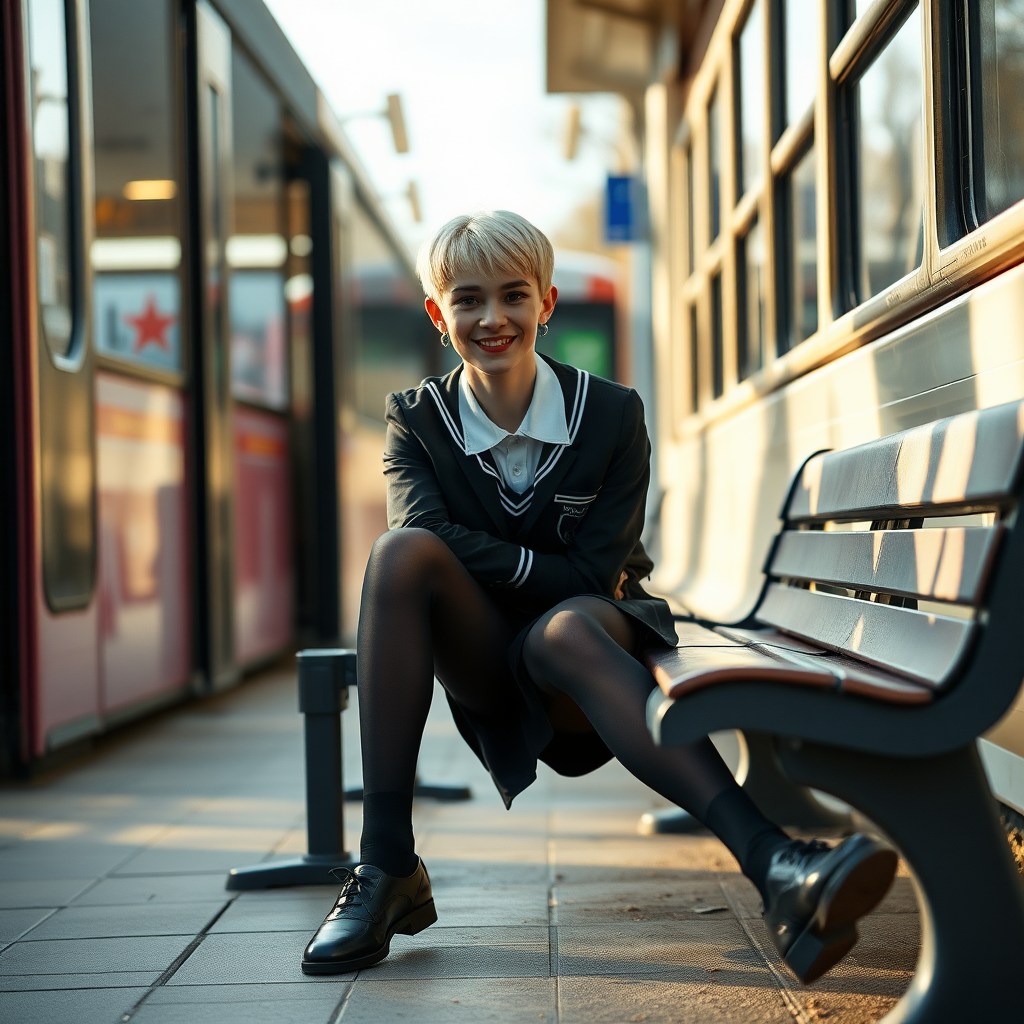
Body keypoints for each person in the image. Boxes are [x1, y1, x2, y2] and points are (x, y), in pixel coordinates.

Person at [300, 211, 897, 984]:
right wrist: (531, 563)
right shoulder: (415, 420)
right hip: (485, 660)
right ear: (437, 313)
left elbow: (592, 578)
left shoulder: (613, 415)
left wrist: (493, 559)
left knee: (562, 631)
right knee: (401, 555)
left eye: (513, 296)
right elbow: (426, 533)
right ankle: (384, 867)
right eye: (469, 299)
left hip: (592, 656)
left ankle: (777, 862)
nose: (492, 318)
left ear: (546, 304)